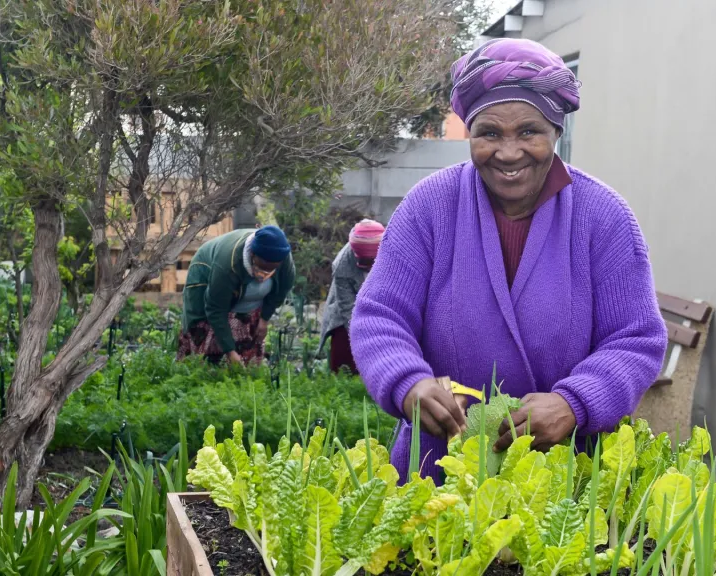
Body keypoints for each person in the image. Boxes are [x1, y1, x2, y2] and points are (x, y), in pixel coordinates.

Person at [350, 38, 667, 482]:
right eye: (490, 133)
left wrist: (576, 403)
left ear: (557, 131)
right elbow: (380, 316)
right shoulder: (429, 208)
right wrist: (408, 383)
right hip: (439, 470)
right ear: (471, 135)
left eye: (529, 131)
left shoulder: (603, 217)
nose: (509, 152)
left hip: (560, 472)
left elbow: (636, 339)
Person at [178, 225, 295, 365]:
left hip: (244, 294)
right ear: (252, 254)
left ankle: (244, 368)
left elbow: (282, 289)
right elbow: (215, 309)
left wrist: (264, 319)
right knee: (204, 336)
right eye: (263, 266)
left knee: (248, 335)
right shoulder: (228, 265)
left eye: (271, 268)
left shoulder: (283, 257)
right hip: (207, 274)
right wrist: (230, 351)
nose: (265, 273)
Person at [318, 219, 386, 374]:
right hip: (348, 314)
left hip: (383, 308)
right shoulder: (342, 265)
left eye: (372, 262)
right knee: (345, 353)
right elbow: (348, 308)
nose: (368, 266)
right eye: (364, 261)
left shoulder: (394, 254)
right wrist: (361, 337)